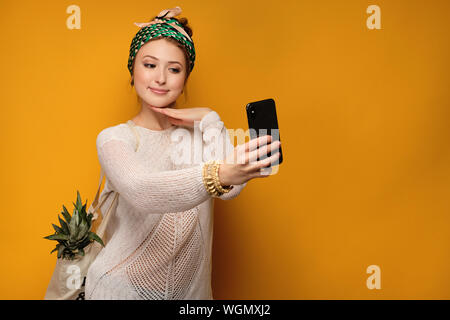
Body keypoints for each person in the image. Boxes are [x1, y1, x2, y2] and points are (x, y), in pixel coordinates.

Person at [85, 6, 281, 300]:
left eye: (174, 69)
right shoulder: (116, 138)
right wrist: (219, 173)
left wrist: (211, 119)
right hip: (118, 292)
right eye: (149, 65)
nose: (160, 78)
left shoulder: (201, 135)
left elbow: (232, 189)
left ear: (185, 77)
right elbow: (142, 190)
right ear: (132, 70)